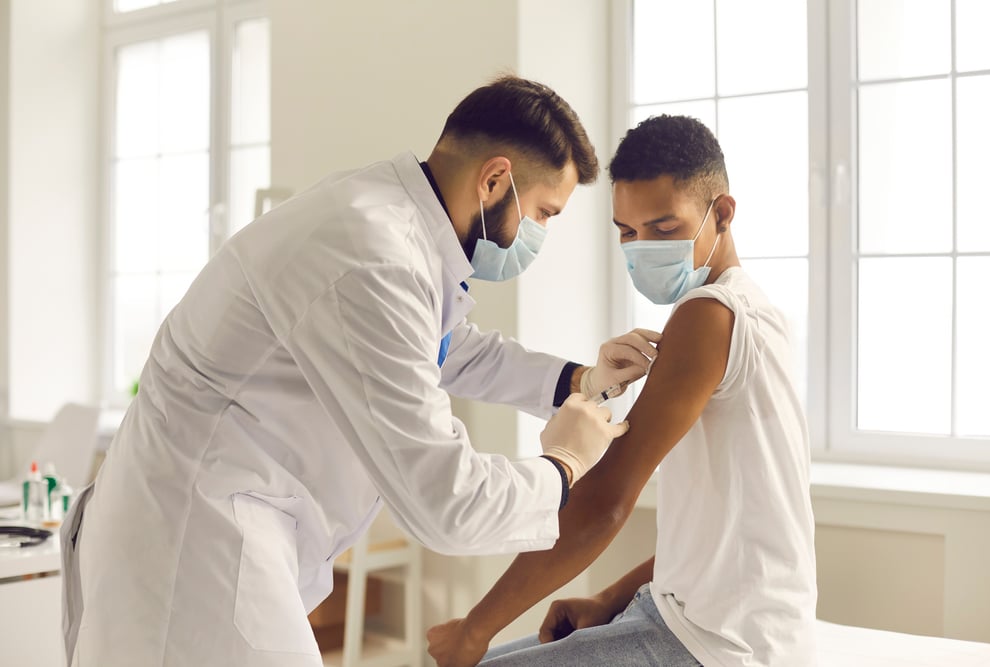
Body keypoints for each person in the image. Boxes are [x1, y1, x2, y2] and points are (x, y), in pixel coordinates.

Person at [60, 75, 661, 666]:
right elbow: (446, 505)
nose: (539, 234)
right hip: (193, 547)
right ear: (496, 178)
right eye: (543, 214)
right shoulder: (373, 256)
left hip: (215, 522)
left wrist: (581, 381)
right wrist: (564, 464)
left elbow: (447, 347)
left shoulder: (386, 218)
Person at [427, 114, 818, 667]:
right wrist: (609, 600)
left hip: (721, 645)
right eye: (626, 233)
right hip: (693, 615)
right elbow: (730, 526)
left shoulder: (707, 315)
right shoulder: (757, 310)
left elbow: (606, 500)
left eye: (663, 229)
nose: (642, 249)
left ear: (722, 214)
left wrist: (475, 629)